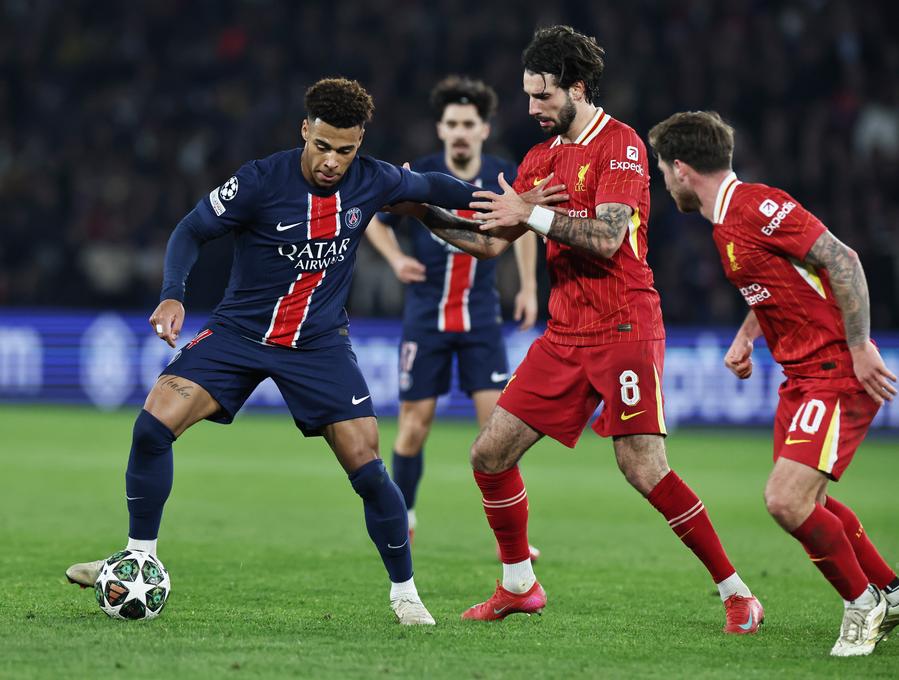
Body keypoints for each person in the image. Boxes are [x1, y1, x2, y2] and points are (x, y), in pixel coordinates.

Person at [64, 77, 497, 626]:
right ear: (304, 131)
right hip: (238, 335)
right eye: (323, 146)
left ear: (360, 144)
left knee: (368, 469)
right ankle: (138, 557)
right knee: (152, 427)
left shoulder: (373, 179)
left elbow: (433, 186)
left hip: (318, 344)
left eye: (345, 150)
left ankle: (405, 594)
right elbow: (190, 230)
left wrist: (509, 204)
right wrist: (173, 293)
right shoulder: (259, 181)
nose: (332, 162)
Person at [394, 25, 763, 632]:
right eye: (528, 95)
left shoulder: (621, 145)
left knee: (643, 467)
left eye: (542, 95)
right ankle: (519, 585)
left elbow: (610, 236)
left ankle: (737, 592)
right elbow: (490, 242)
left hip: (624, 325)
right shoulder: (540, 159)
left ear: (578, 88)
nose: (531, 108)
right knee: (489, 454)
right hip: (565, 335)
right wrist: (422, 213)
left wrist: (531, 213)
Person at [648, 110, 899, 656]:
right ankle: (892, 592)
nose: (662, 181)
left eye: (662, 170)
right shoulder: (725, 224)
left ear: (682, 168)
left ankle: (863, 604)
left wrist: (859, 345)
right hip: (800, 377)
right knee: (812, 501)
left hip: (834, 370)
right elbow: (778, 286)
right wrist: (746, 337)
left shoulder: (756, 205)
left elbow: (842, 259)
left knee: (787, 500)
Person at [365, 75, 539, 559]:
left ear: (484, 129)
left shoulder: (502, 175)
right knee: (413, 427)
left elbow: (524, 227)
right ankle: (405, 517)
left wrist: (528, 287)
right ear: (441, 129)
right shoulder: (422, 173)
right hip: (426, 317)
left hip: (481, 318)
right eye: (452, 124)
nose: (460, 132)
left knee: (498, 433)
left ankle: (511, 538)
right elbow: (376, 218)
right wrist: (396, 259)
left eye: (468, 124)